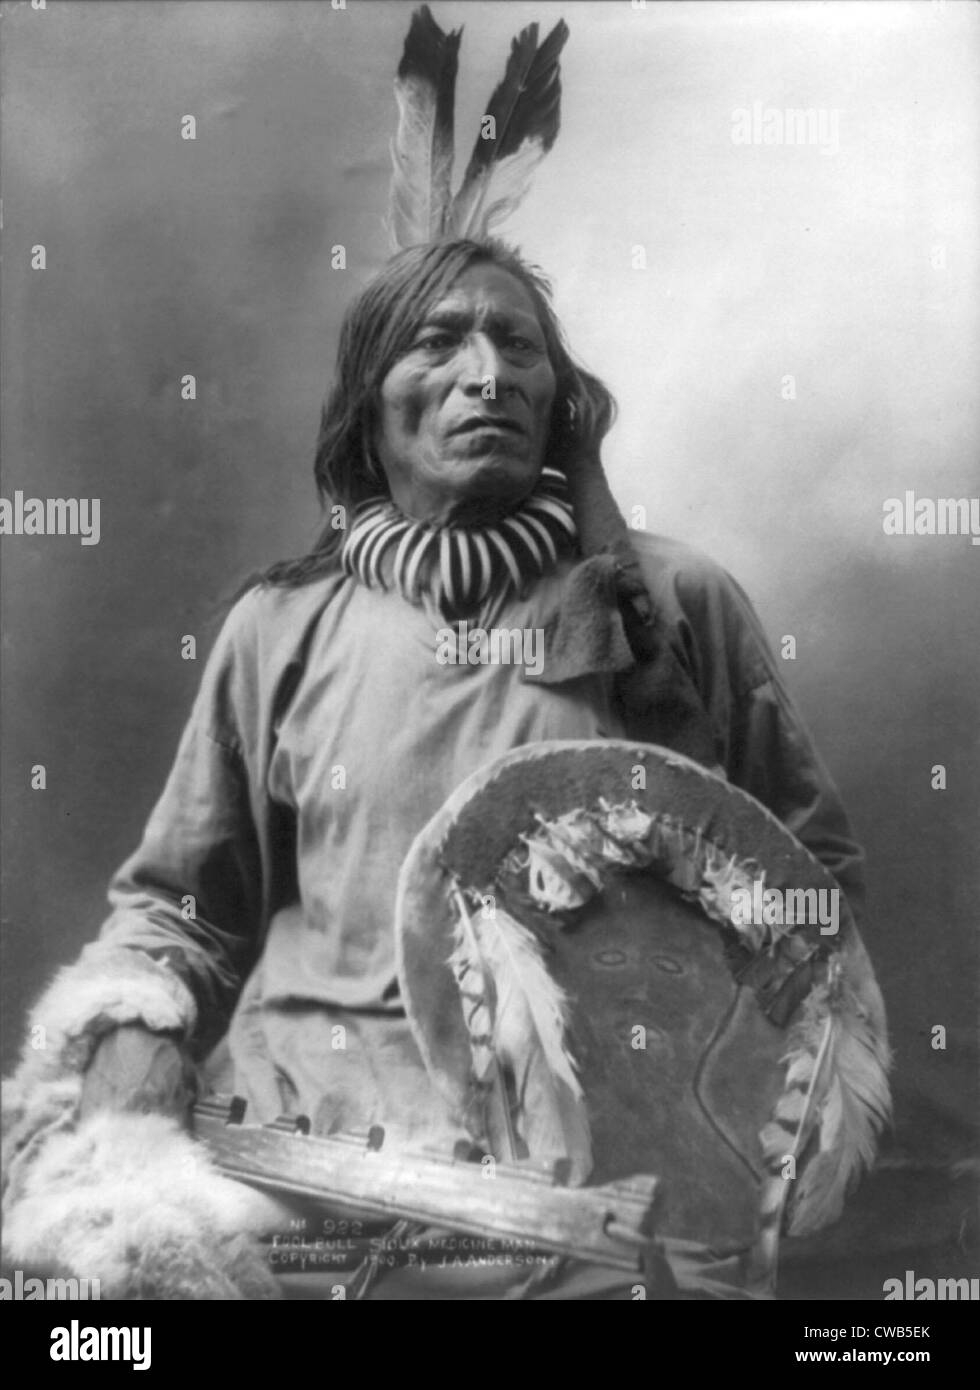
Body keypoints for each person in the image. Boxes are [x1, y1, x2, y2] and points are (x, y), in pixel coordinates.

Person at [3, 236, 878, 1299]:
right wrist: (127, 1069)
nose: (489, 373)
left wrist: (727, 1089)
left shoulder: (671, 606)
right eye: (440, 341)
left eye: (517, 345)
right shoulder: (277, 627)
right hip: (289, 1158)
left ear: (557, 403)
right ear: (370, 409)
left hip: (584, 1190)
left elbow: (808, 878)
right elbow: (181, 908)